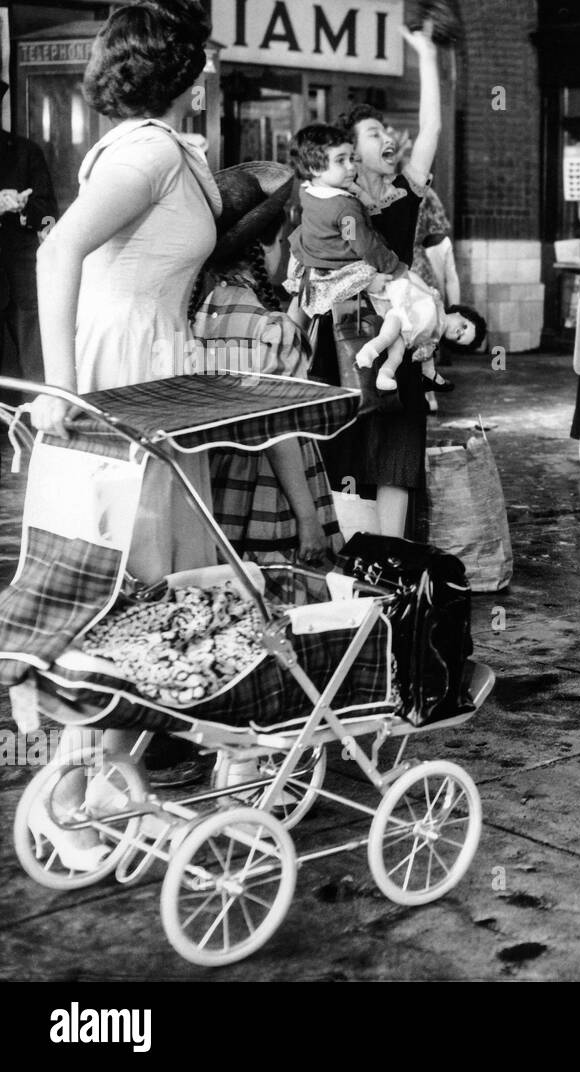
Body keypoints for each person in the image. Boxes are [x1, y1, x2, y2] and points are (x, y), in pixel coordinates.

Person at [28, 0, 220, 867]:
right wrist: (62, 390)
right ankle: (83, 783)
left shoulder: (163, 150)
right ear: (184, 71)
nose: (212, 71)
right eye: (203, 59)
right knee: (127, 586)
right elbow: (55, 251)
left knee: (144, 587)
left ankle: (103, 774)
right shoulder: (147, 149)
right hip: (127, 382)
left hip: (157, 371)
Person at [324, 24, 459, 539]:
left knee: (399, 455)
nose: (389, 139)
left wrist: (425, 55)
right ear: (352, 153)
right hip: (350, 340)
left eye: (386, 130)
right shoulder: (338, 202)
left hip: (400, 333)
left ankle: (391, 561)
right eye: (374, 133)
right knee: (351, 450)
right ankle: (358, 559)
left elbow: (431, 132)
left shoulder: (404, 193)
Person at [191, 164, 343, 565]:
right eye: (283, 240)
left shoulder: (199, 313)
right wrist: (308, 517)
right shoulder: (272, 330)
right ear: (265, 246)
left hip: (217, 485)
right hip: (270, 493)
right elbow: (280, 431)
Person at [284, 123, 478, 392]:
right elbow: (363, 245)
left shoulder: (310, 192)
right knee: (397, 307)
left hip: (314, 269)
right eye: (341, 161)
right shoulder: (345, 210)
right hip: (345, 273)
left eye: (351, 158)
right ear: (316, 168)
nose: (351, 166)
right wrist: (394, 268)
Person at [0, 78, 58, 392]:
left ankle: (37, 431)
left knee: (36, 370)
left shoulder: (24, 152)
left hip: (24, 281)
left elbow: (50, 213)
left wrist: (25, 210)